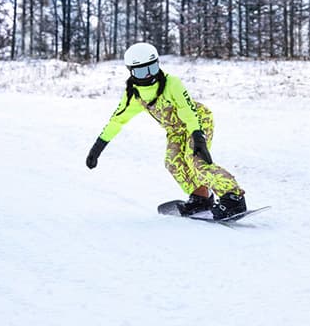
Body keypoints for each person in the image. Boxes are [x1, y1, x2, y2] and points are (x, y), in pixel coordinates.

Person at [85, 42, 246, 220]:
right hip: (175, 130)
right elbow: (117, 121)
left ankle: (233, 197)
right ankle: (201, 197)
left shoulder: (172, 83)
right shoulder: (133, 94)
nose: (148, 75)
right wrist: (97, 148)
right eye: (141, 71)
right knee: (172, 162)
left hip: (197, 122)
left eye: (152, 68)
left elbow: (187, 110)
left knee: (196, 160)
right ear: (131, 71)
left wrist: (198, 137)